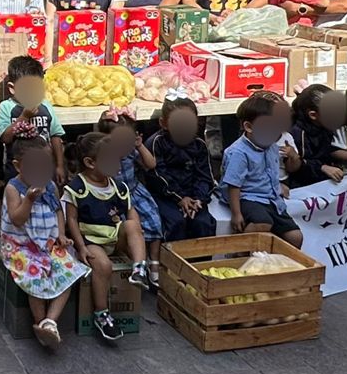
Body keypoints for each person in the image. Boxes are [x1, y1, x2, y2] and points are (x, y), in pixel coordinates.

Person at [0, 135, 89, 348]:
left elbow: (58, 209)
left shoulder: (50, 186)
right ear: (18, 166)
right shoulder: (13, 189)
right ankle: (39, 321)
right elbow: (17, 219)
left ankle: (50, 322)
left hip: (47, 242)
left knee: (68, 271)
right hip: (21, 244)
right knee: (35, 276)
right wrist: (28, 200)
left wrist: (60, 233)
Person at [64, 130, 148, 345]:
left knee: (131, 224)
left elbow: (130, 213)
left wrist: (135, 231)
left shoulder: (119, 187)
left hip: (113, 236)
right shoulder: (77, 187)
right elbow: (71, 220)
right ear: (90, 162)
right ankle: (102, 314)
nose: (117, 165)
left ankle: (140, 269)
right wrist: (81, 247)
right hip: (91, 240)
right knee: (103, 266)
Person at [220, 95, 302, 247]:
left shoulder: (271, 146)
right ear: (249, 127)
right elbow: (233, 185)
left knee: (295, 237)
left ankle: (278, 267)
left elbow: (270, 171)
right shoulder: (239, 152)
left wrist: (277, 185)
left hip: (271, 197)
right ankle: (239, 251)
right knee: (263, 223)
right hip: (248, 196)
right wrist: (236, 214)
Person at [96, 112, 161, 285]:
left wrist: (139, 146)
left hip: (134, 193)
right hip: (115, 198)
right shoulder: (103, 155)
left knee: (154, 222)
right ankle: (139, 264)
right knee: (128, 231)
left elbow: (151, 164)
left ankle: (154, 263)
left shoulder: (132, 151)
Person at [143, 95, 216, 241]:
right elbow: (158, 176)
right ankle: (174, 262)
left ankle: (200, 262)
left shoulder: (199, 145)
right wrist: (179, 198)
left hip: (193, 195)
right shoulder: (157, 143)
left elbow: (205, 176)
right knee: (176, 223)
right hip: (165, 195)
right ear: (164, 124)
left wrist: (199, 199)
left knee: (203, 223)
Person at [0, 56, 64, 182]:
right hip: (17, 172)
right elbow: (5, 138)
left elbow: (55, 136)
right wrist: (24, 116)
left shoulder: (45, 105)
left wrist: (60, 165)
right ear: (12, 88)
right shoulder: (6, 107)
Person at [287, 85, 347, 185]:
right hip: (304, 186)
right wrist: (322, 167)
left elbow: (328, 150)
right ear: (313, 115)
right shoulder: (298, 134)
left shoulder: (326, 126)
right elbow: (297, 165)